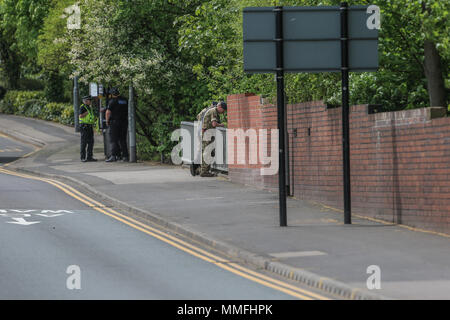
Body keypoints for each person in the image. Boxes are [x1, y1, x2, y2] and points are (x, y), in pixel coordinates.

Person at [195, 101, 227, 177]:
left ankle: (201, 170)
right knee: (207, 152)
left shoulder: (210, 110)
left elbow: (198, 116)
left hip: (205, 132)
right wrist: (222, 125)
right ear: (219, 107)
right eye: (223, 110)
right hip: (207, 134)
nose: (223, 112)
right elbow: (214, 124)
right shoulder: (214, 111)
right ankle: (204, 172)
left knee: (208, 152)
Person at [105, 88, 129, 162]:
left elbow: (108, 112)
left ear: (112, 94)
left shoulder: (112, 101)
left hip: (114, 123)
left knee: (113, 139)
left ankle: (114, 156)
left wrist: (107, 121)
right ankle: (125, 156)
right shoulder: (125, 100)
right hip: (124, 122)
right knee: (122, 139)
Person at [79, 95, 97, 162]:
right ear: (86, 101)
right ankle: (83, 157)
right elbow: (80, 116)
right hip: (84, 127)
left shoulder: (89, 107)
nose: (91, 102)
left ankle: (89, 157)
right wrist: (86, 113)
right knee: (84, 142)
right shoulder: (82, 107)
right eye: (90, 100)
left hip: (89, 126)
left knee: (91, 142)